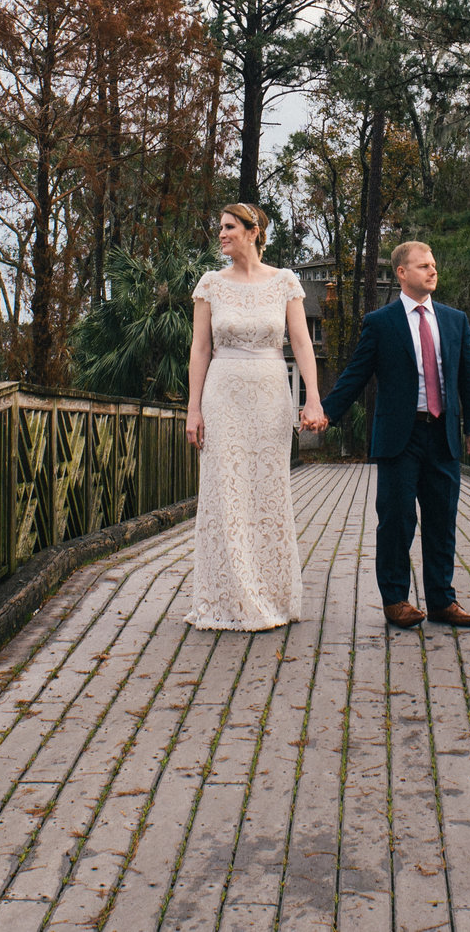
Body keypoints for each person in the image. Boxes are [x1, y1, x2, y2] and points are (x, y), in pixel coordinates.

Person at [318, 240, 470, 628]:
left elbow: (468, 378)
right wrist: (326, 412)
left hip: (443, 433)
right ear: (402, 273)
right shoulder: (381, 323)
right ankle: (396, 600)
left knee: (441, 518)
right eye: (424, 265)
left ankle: (443, 601)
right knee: (396, 519)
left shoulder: (455, 319)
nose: (433, 271)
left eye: (434, 264)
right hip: (400, 436)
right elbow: (356, 374)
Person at [183, 202, 329, 631]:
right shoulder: (210, 284)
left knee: (267, 491)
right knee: (224, 490)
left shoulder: (284, 282)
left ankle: (272, 596)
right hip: (223, 393)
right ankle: (228, 597)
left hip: (269, 392)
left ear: (253, 232)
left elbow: (302, 344)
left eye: (229, 227)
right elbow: (200, 349)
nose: (221, 233)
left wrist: (313, 398)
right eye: (221, 226)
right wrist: (193, 409)